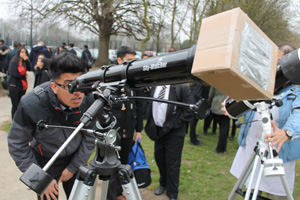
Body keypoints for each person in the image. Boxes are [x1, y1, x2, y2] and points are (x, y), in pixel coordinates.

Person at [8, 52, 97, 200]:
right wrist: (39, 179)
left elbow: (90, 135)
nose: (78, 92)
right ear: (54, 87)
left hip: (76, 157)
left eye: (81, 83)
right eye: (70, 85)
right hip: (45, 160)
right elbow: (16, 143)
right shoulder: (31, 104)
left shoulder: (90, 99)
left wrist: (73, 167)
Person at [229, 44, 300, 199]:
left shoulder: (297, 88)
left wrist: (287, 132)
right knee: (251, 189)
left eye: (281, 62)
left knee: (276, 194)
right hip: (253, 147)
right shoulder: (263, 80)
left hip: (280, 152)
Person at [107, 46, 144, 200]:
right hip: (113, 132)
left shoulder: (134, 82)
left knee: (123, 163)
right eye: (129, 61)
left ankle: (118, 192)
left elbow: (139, 106)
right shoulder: (110, 80)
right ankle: (112, 195)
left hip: (128, 131)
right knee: (111, 165)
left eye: (134, 61)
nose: (132, 64)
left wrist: (139, 130)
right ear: (119, 60)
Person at [145, 83, 194, 200]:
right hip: (159, 131)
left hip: (174, 132)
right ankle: (163, 184)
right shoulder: (154, 86)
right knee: (160, 159)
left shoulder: (182, 88)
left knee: (172, 164)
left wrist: (174, 124)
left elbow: (190, 110)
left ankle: (172, 193)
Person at [7, 47, 31, 119]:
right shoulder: (13, 62)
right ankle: (14, 119)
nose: (24, 54)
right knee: (15, 104)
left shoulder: (24, 62)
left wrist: (27, 61)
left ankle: (20, 119)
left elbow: (30, 69)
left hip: (22, 85)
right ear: (19, 53)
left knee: (21, 103)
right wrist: (23, 77)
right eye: (22, 52)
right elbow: (14, 74)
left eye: (25, 52)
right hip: (14, 85)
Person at [207, 87, 230, 154]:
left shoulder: (216, 81)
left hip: (217, 105)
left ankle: (220, 148)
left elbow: (211, 95)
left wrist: (209, 102)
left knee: (222, 128)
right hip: (226, 105)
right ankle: (223, 148)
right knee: (224, 128)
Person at [189, 82, 204, 146]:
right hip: (195, 104)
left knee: (193, 123)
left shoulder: (192, 84)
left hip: (192, 103)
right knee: (193, 123)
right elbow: (197, 94)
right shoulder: (198, 84)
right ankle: (193, 140)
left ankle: (193, 136)